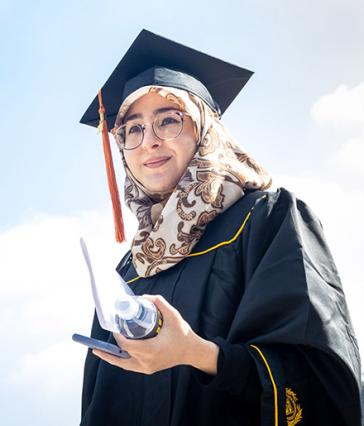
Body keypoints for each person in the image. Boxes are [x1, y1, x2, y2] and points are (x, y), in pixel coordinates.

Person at [79, 30, 362, 426]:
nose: (150, 142)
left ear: (206, 129)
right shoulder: (129, 272)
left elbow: (318, 381)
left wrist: (196, 353)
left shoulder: (267, 218)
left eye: (169, 120)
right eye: (133, 129)